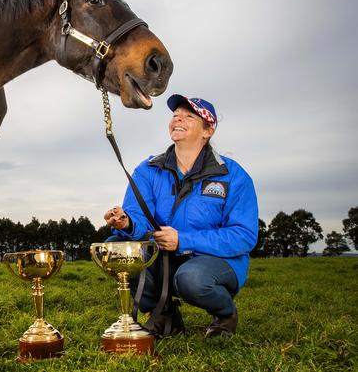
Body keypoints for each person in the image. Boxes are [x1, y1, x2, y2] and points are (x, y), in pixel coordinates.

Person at [104, 94, 258, 337]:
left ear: (208, 130)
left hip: (215, 260)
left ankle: (225, 313)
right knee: (116, 247)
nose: (178, 119)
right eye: (175, 115)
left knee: (191, 278)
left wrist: (184, 240)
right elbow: (139, 215)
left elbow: (244, 235)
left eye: (189, 116)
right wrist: (127, 222)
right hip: (163, 256)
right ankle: (163, 313)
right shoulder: (148, 170)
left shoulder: (234, 175)